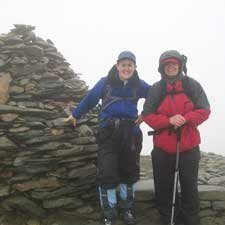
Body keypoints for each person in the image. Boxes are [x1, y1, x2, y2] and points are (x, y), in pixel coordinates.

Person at [65, 51, 150, 225]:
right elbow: (90, 100)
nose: (126, 68)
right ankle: (108, 215)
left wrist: (146, 114)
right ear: (117, 65)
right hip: (108, 133)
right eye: (123, 65)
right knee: (107, 172)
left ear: (134, 67)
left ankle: (127, 210)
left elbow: (156, 97)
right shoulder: (105, 83)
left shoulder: (139, 85)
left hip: (131, 134)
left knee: (129, 173)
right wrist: (75, 115)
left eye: (130, 65)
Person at [142, 50, 210, 225]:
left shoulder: (191, 85)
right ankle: (167, 220)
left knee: (189, 188)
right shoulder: (156, 89)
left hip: (188, 146)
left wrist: (186, 118)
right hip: (163, 149)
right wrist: (168, 120)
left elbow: (204, 110)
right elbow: (148, 115)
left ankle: (191, 221)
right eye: (167, 64)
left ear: (180, 65)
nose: (171, 67)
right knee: (164, 188)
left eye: (174, 64)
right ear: (162, 68)